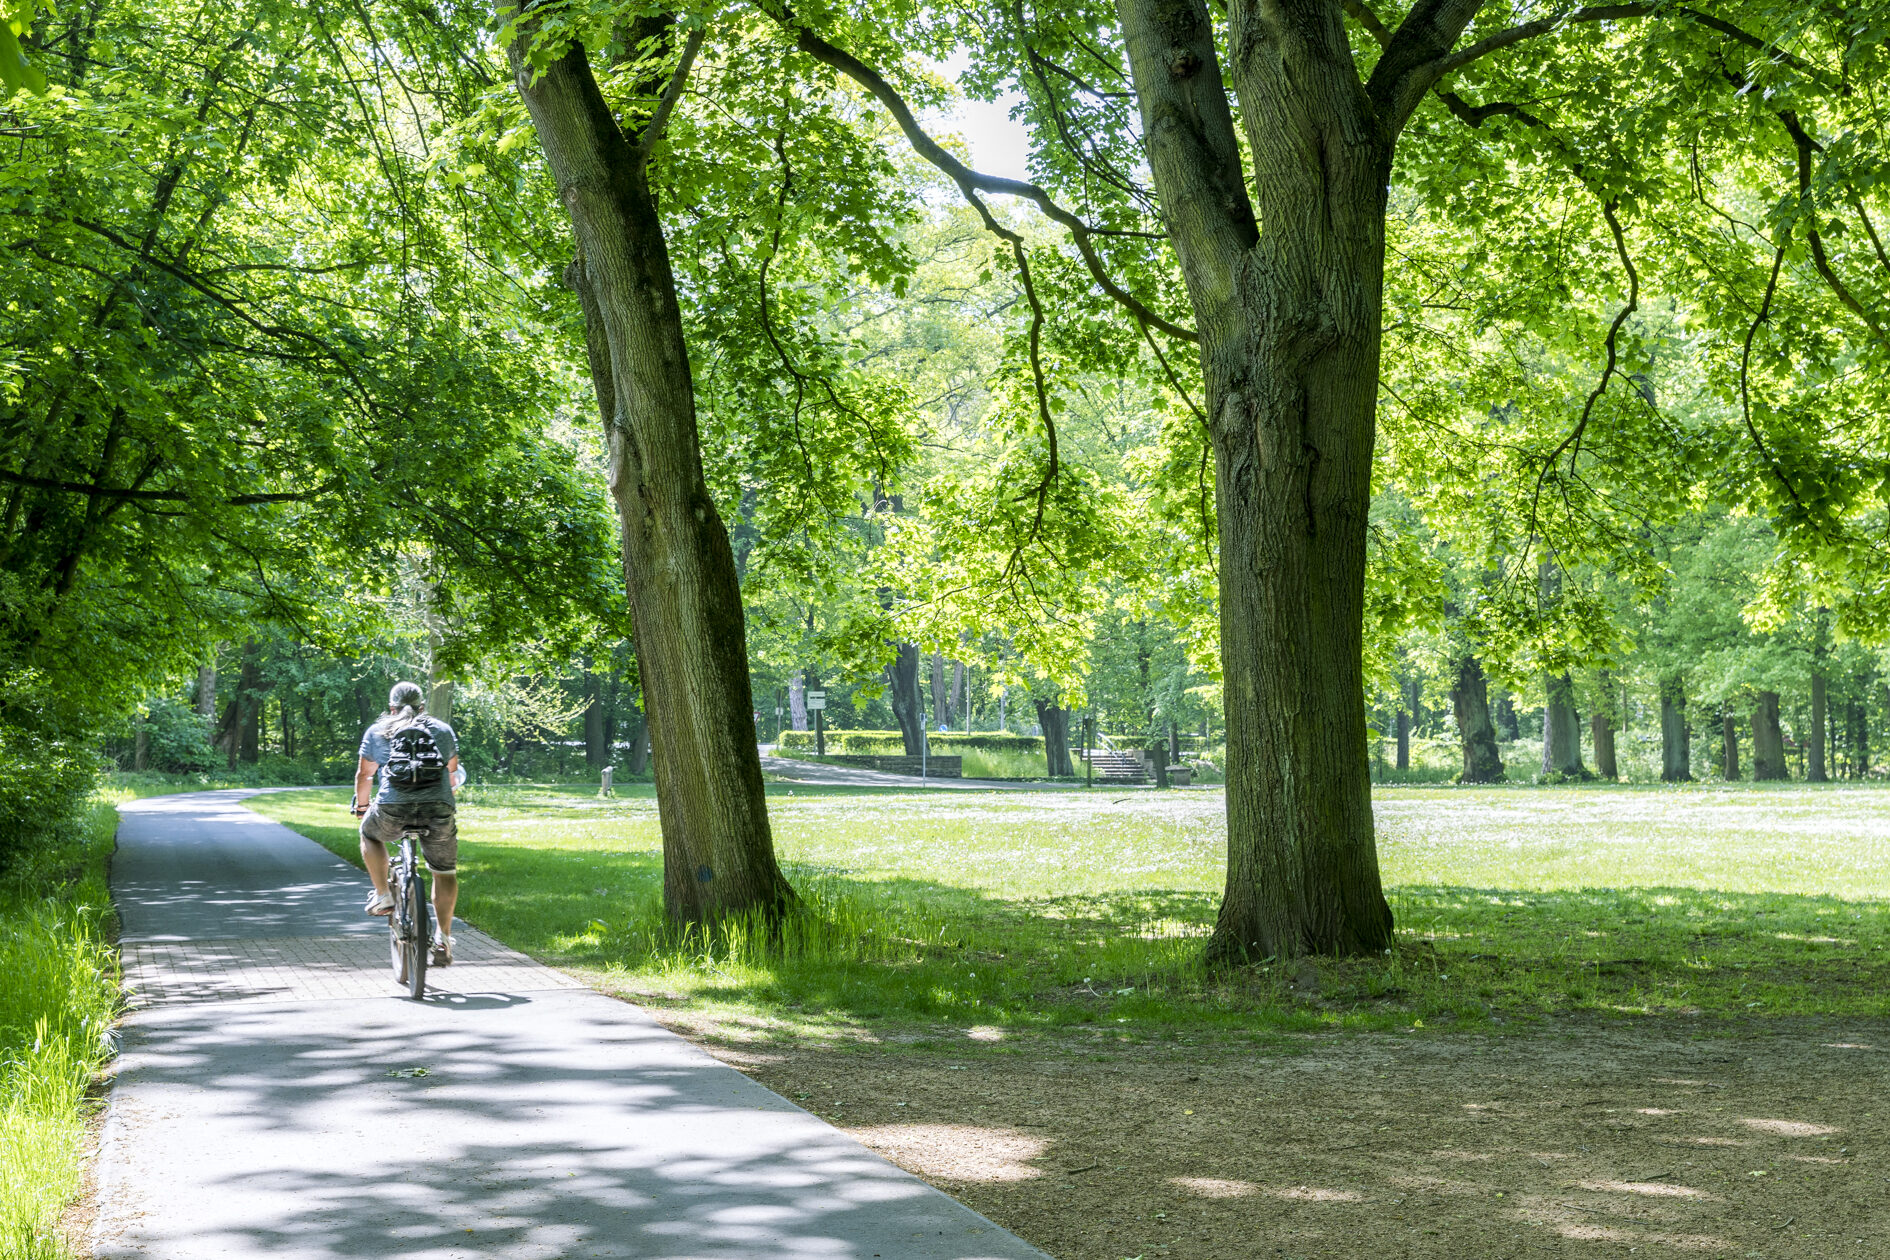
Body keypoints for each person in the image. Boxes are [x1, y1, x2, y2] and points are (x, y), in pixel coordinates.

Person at [353, 681, 462, 966]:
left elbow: (364, 776)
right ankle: (443, 936)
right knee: (444, 871)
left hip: (392, 807)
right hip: (437, 808)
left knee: (369, 832)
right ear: (422, 705)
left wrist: (362, 807)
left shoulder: (377, 731)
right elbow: (452, 774)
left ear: (391, 708)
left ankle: (383, 896)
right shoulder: (441, 730)